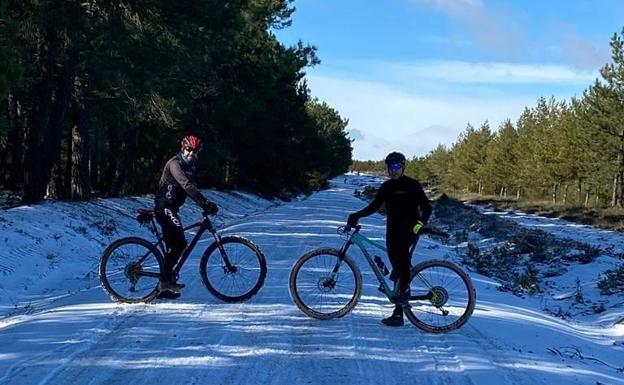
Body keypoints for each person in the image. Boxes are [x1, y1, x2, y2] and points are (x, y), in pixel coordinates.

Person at [347, 151, 432, 326]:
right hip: (392, 231)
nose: (393, 171)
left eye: (396, 167)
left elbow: (427, 208)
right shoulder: (387, 187)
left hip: (409, 231)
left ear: (403, 167)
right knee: (397, 268)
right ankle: (398, 312)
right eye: (390, 168)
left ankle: (404, 295)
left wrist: (418, 225)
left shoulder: (412, 185)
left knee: (402, 262)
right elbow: (373, 207)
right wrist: (357, 215)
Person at [154, 135, 218, 299]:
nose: (191, 153)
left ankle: (165, 285)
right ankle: (164, 281)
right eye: (189, 150)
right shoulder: (174, 163)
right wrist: (204, 203)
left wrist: (203, 203)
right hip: (164, 207)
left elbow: (190, 189)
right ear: (183, 148)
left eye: (194, 151)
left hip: (173, 209)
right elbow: (187, 186)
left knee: (177, 245)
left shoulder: (190, 166)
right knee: (180, 243)